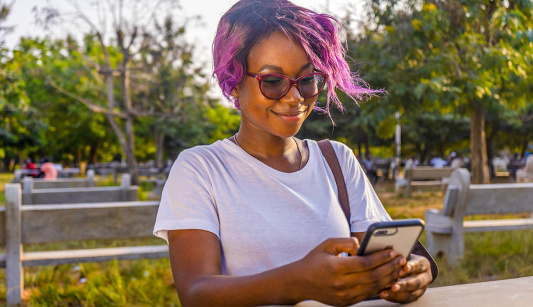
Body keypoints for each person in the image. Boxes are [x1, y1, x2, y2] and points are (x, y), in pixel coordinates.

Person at [153, 1, 437, 306]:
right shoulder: (202, 169)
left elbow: (379, 258)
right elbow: (195, 293)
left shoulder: (337, 161)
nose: (294, 97)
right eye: (272, 81)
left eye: (307, 80)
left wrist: (412, 271)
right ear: (234, 82)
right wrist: (298, 283)